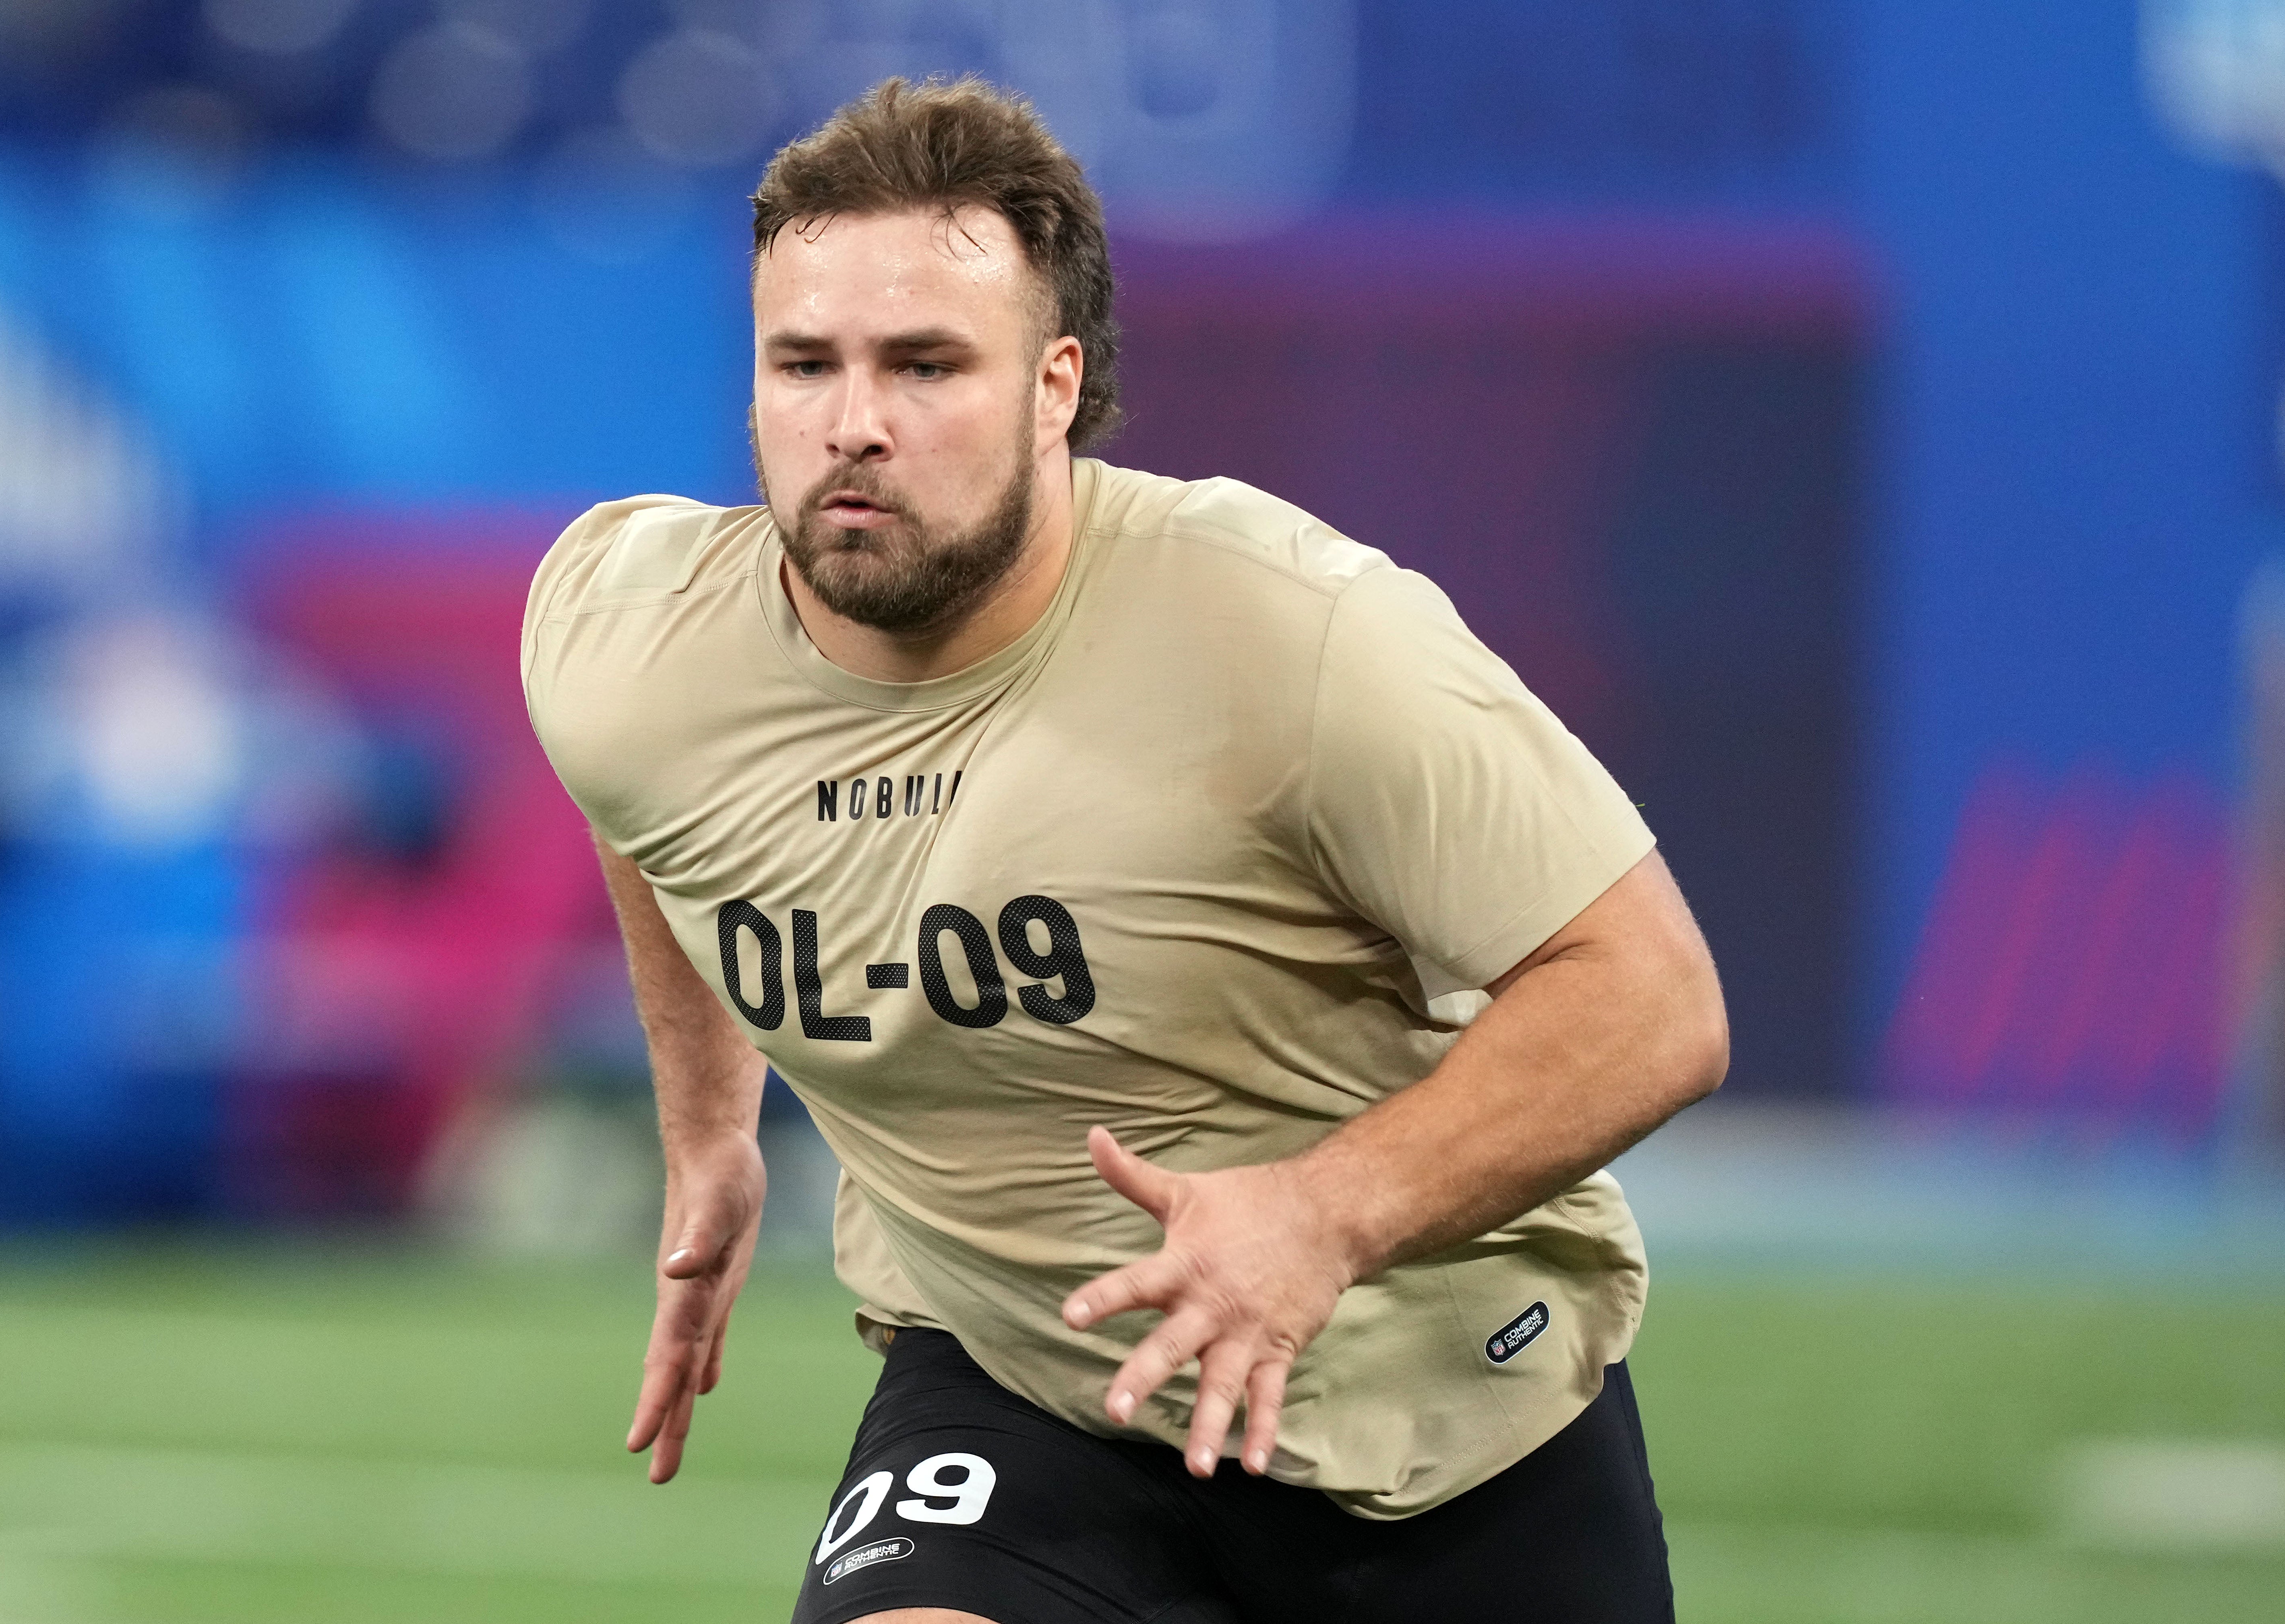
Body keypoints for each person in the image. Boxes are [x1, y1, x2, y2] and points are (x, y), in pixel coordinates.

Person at [522, 76, 1727, 1624]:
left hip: (1437, 1412)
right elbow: (644, 800)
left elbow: (1649, 998)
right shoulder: (634, 637)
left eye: (926, 364)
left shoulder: (1293, 632)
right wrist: (711, 1133)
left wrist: (1318, 1213)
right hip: (1018, 1386)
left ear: (1054, 385)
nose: (853, 423)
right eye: (801, 363)